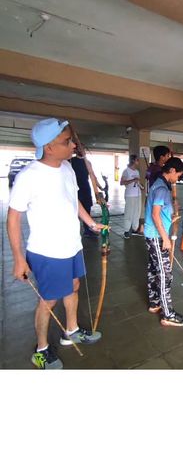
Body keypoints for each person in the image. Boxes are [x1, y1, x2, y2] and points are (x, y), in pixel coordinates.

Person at [7, 118, 105, 370]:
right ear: (48, 147)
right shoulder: (29, 176)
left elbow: (75, 202)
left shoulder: (67, 168)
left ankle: (70, 331)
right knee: (48, 300)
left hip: (72, 246)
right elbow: (13, 218)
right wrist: (18, 258)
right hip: (47, 251)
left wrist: (90, 223)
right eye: (66, 141)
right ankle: (41, 350)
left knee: (73, 286)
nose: (73, 145)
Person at [144, 156, 183, 327]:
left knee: (153, 269)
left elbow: (159, 212)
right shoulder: (162, 188)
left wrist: (172, 215)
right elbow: (155, 215)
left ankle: (155, 302)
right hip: (156, 236)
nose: (177, 178)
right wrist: (165, 238)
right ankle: (168, 314)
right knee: (165, 273)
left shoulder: (160, 185)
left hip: (153, 234)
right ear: (171, 171)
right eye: (178, 175)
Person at [70, 144, 103, 238]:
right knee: (74, 210)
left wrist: (100, 187)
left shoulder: (87, 162)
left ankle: (87, 230)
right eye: (79, 149)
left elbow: (92, 175)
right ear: (75, 150)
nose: (82, 150)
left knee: (87, 209)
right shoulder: (70, 161)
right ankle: (73, 231)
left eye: (83, 149)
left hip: (85, 188)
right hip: (75, 189)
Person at [120, 154, 144, 239]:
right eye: (137, 160)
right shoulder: (126, 171)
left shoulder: (137, 172)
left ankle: (134, 229)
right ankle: (126, 231)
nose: (138, 161)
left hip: (138, 195)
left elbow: (138, 182)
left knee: (137, 212)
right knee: (129, 213)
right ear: (133, 161)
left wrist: (141, 186)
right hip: (130, 195)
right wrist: (133, 180)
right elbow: (122, 183)